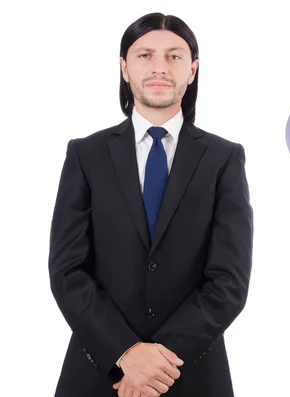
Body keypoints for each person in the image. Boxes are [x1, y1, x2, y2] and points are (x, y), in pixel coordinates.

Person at [48, 12, 253, 397]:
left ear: (192, 70)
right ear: (124, 68)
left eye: (174, 56)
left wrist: (156, 362)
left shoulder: (223, 159)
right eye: (145, 55)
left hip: (191, 373)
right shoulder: (85, 155)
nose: (160, 67)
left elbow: (229, 282)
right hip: (98, 370)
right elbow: (66, 271)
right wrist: (124, 353)